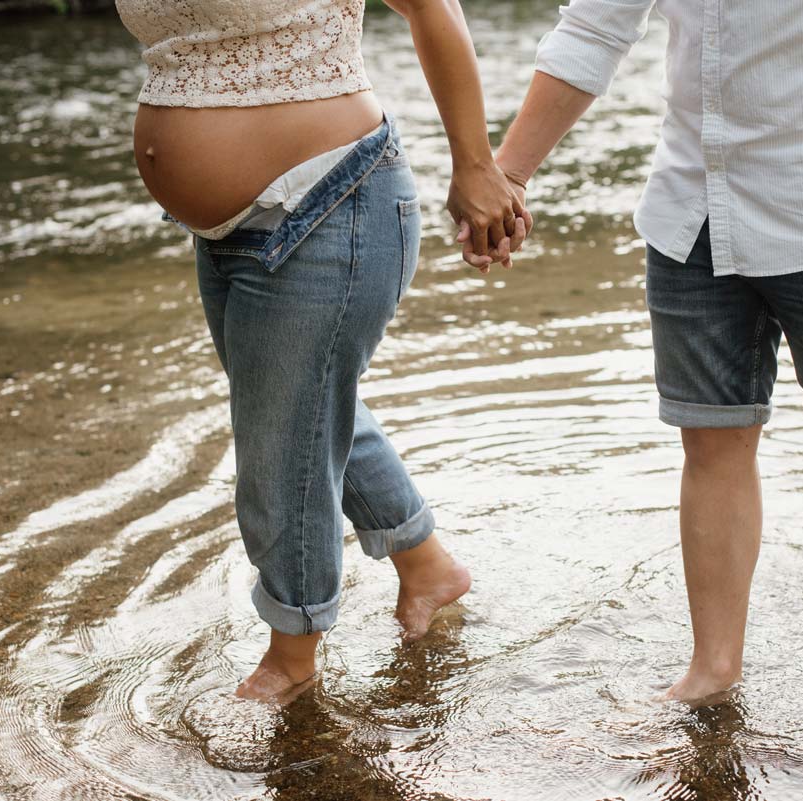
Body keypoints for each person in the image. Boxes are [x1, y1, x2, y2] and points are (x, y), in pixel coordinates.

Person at [480, 0, 803, 701]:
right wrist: (506, 176)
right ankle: (713, 670)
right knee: (710, 440)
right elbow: (596, 27)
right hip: (692, 213)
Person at [115, 0, 531, 704]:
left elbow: (432, 7)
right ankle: (427, 565)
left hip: (328, 202)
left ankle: (293, 656)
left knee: (281, 440)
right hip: (226, 230)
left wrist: (476, 165)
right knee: (295, 411)